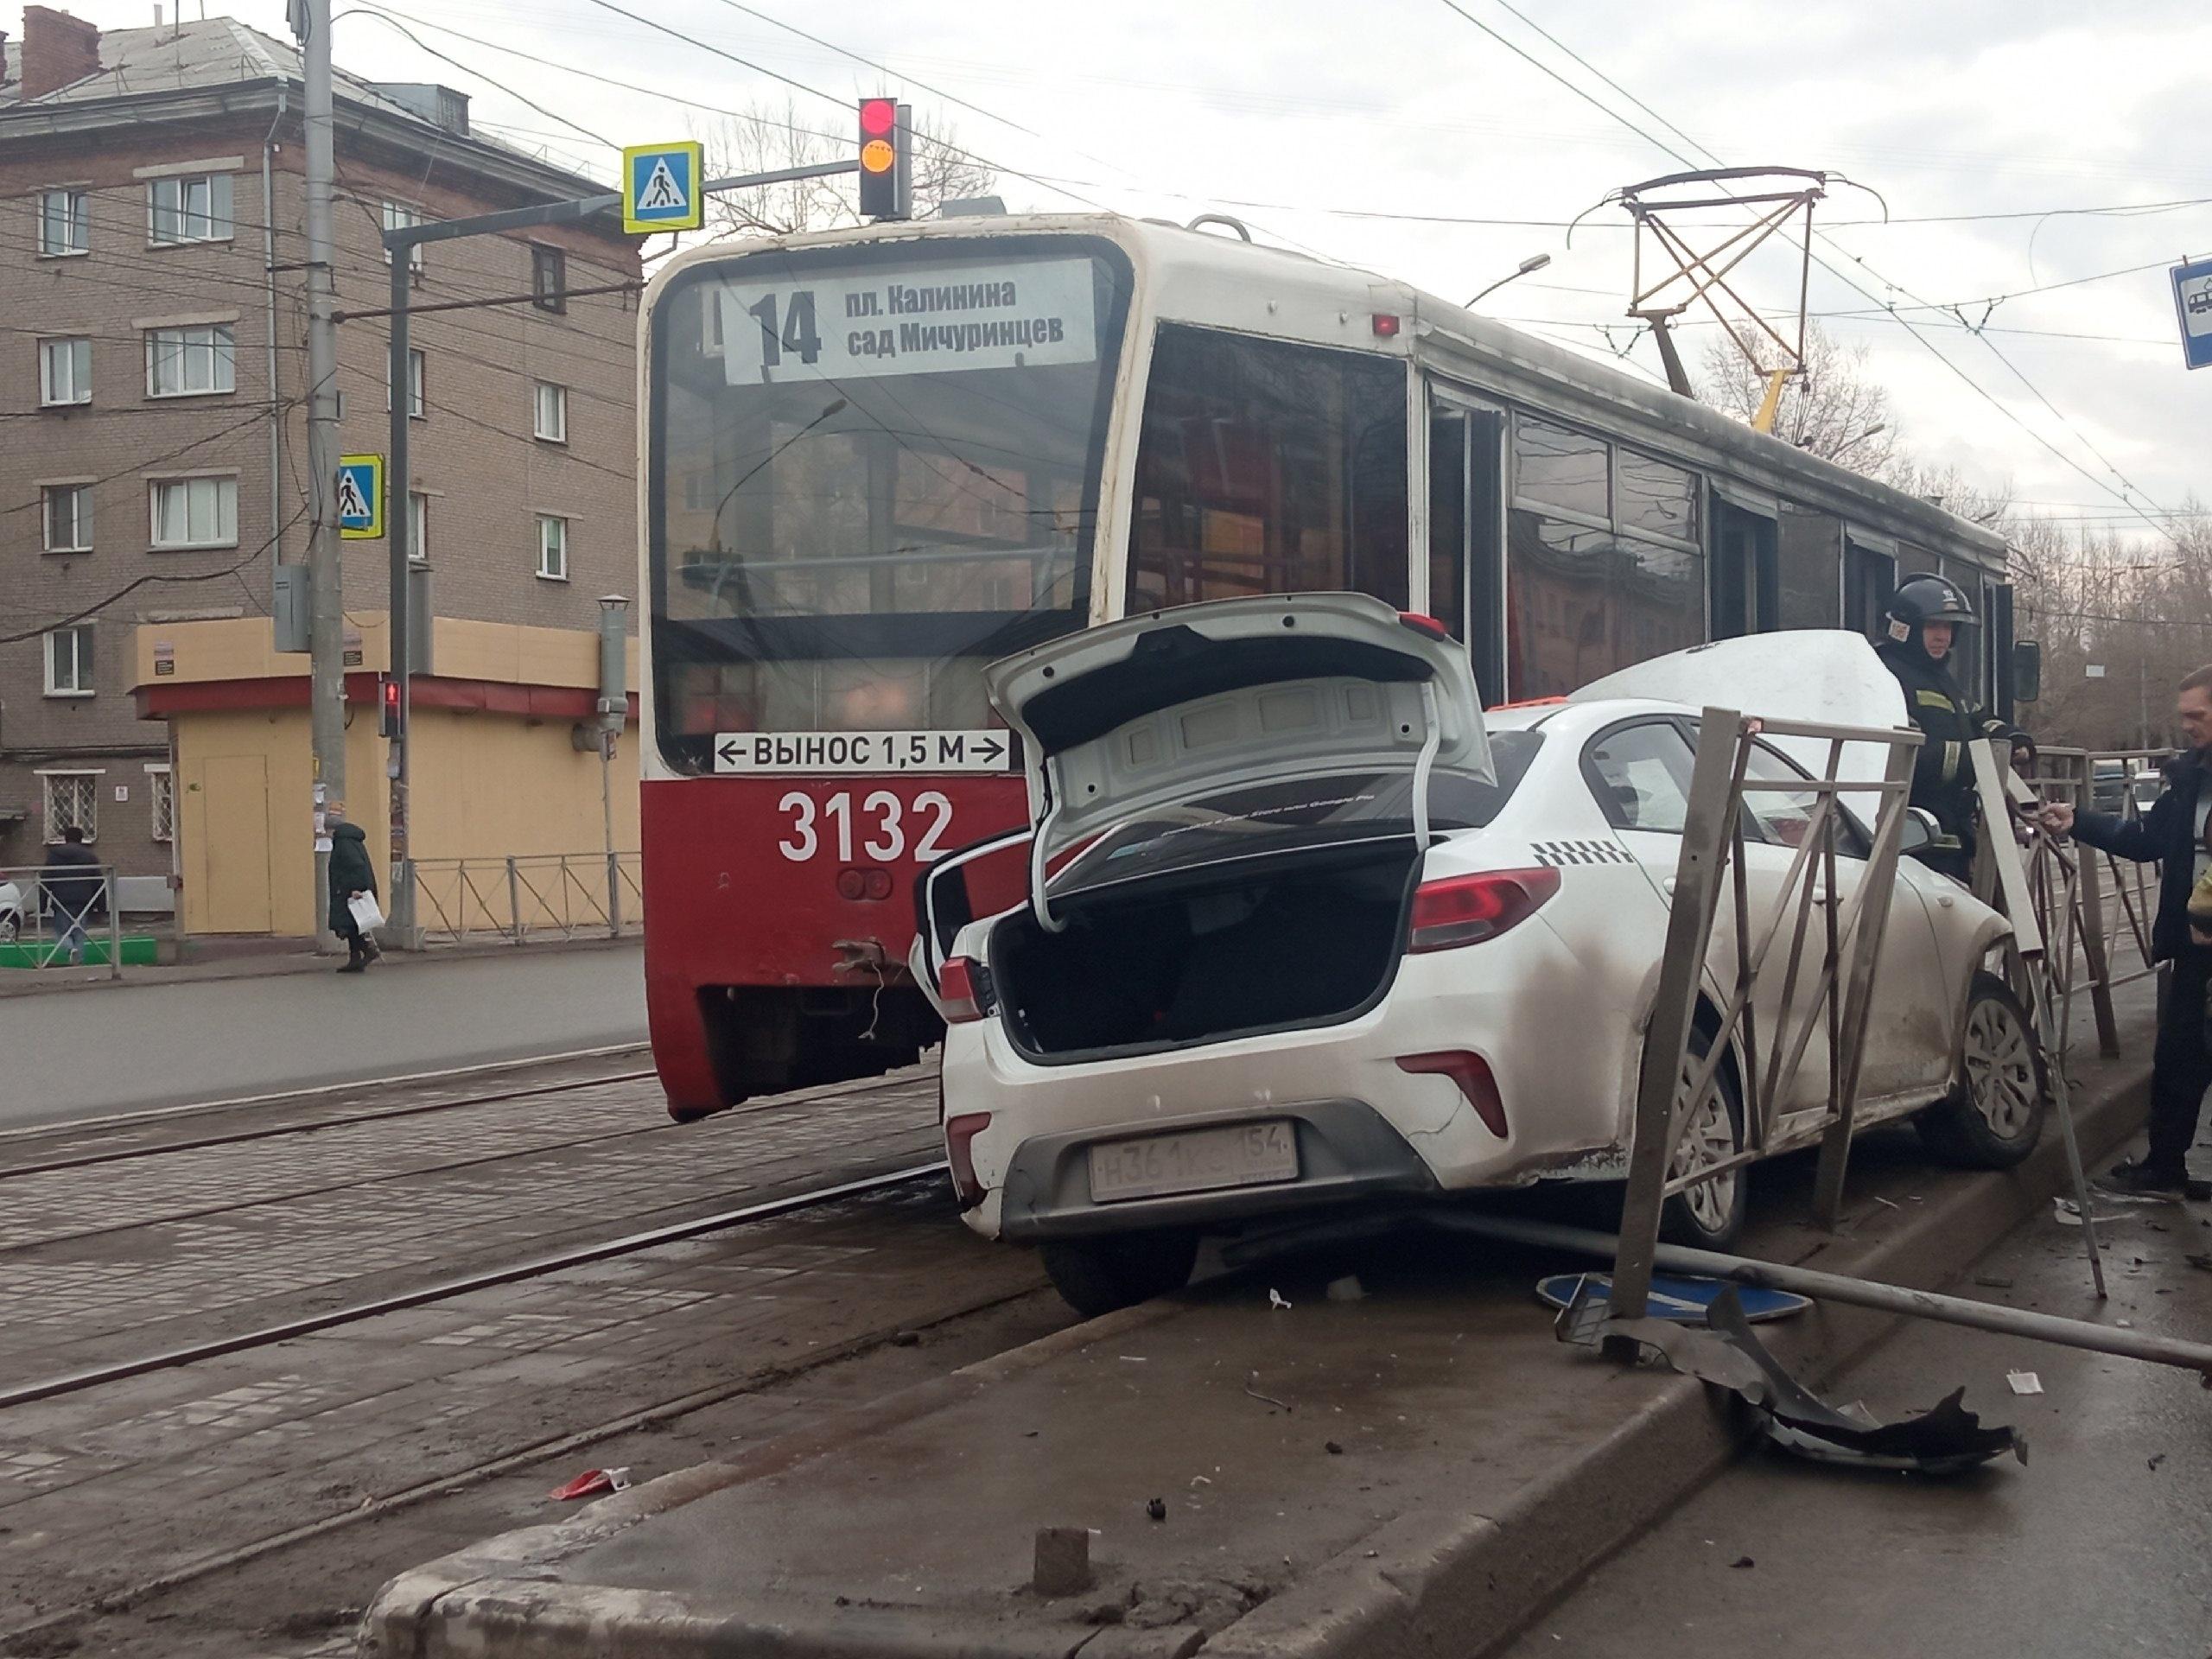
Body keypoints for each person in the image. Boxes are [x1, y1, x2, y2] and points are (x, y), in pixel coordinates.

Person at [2042, 664, 2212, 1198]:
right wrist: (2079, 822)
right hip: (2197, 944)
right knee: (2180, 1057)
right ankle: (2165, 1168)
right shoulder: (2191, 778)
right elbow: (2146, 840)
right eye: (2184, 716)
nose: (2188, 726)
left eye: (2198, 716)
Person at [1873, 575, 2017, 880]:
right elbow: (1904, 753)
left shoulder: (1938, 676)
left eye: (1949, 628)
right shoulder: (1886, 673)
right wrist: (1975, 761)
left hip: (1950, 834)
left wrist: (2008, 736)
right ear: (1905, 628)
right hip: (1914, 840)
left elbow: (1973, 714)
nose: (1943, 637)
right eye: (1933, 626)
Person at [40, 825, 105, 966]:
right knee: (79, 932)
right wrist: (101, 907)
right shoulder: (90, 856)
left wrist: (42, 904)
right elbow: (98, 882)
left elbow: (45, 880)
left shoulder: (54, 855)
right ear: (81, 839)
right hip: (84, 901)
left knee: (61, 932)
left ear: (65, 839)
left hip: (61, 900)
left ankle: (70, 949)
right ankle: (78, 962)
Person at [327, 807, 380, 974]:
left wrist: (355, 888)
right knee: (353, 925)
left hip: (350, 891)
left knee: (349, 925)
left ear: (333, 830)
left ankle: (367, 950)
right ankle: (355, 959)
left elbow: (355, 865)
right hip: (349, 889)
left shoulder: (343, 843)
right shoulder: (351, 840)